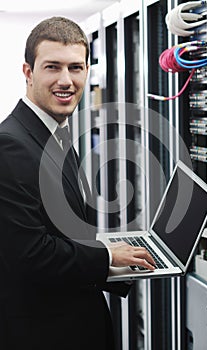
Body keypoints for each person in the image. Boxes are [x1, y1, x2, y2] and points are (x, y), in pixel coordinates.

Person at [0, 16, 155, 350]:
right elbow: (28, 255)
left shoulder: (54, 131)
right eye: (53, 67)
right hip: (45, 334)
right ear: (28, 72)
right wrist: (106, 256)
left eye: (76, 68)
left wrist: (117, 261)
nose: (66, 80)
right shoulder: (10, 145)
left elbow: (63, 230)